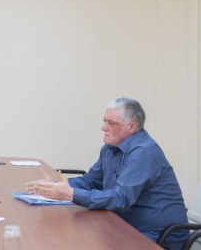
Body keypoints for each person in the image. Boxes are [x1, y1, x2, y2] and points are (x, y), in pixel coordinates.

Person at [26, 97, 188, 250]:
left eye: (111, 123)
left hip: (158, 236)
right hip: (125, 224)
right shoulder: (110, 148)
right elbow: (92, 181)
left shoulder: (143, 152)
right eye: (104, 121)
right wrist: (56, 187)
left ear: (131, 127)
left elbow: (120, 198)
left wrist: (70, 194)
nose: (103, 127)